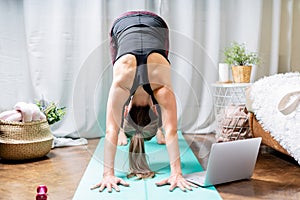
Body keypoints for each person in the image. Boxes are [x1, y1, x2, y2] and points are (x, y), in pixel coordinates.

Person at [91, 11, 197, 192]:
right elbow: (170, 132)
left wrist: (108, 175)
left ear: (155, 111)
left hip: (157, 25)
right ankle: (150, 132)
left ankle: (144, 132)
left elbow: (112, 131)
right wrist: (176, 173)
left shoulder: (156, 88)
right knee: (120, 62)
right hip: (122, 26)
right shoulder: (137, 87)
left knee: (157, 55)